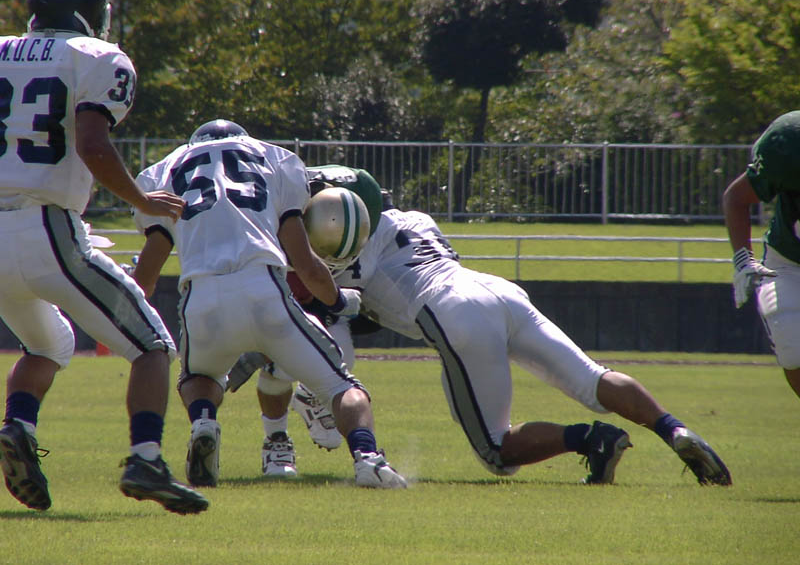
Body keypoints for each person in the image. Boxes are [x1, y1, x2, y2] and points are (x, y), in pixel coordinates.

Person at [302, 205, 733, 485]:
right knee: (592, 378)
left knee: (497, 451)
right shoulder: (416, 218)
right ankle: (674, 429)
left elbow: (334, 303)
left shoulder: (346, 250)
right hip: (498, 290)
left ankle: (591, 438)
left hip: (453, 310)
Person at [0, 0, 208, 514]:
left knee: (50, 344)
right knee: (152, 346)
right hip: (46, 228)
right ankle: (146, 458)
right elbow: (92, 145)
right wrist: (143, 200)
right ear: (90, 10)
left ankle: (18, 427)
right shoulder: (96, 57)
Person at [130, 119, 406, 489]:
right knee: (341, 386)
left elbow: (146, 276)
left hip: (200, 297)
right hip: (264, 289)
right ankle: (368, 459)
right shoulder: (276, 159)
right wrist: (339, 301)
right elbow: (306, 265)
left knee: (198, 377)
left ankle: (204, 421)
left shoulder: (162, 171)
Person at [225, 166, 385, 477]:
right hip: (270, 296)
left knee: (339, 357)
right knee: (277, 370)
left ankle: (310, 396)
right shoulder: (274, 224)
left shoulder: (363, 198)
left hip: (315, 296)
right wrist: (257, 348)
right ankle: (276, 439)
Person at [723, 110, 800, 402]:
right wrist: (744, 261)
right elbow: (737, 197)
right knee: (792, 343)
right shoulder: (791, 140)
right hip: (791, 263)